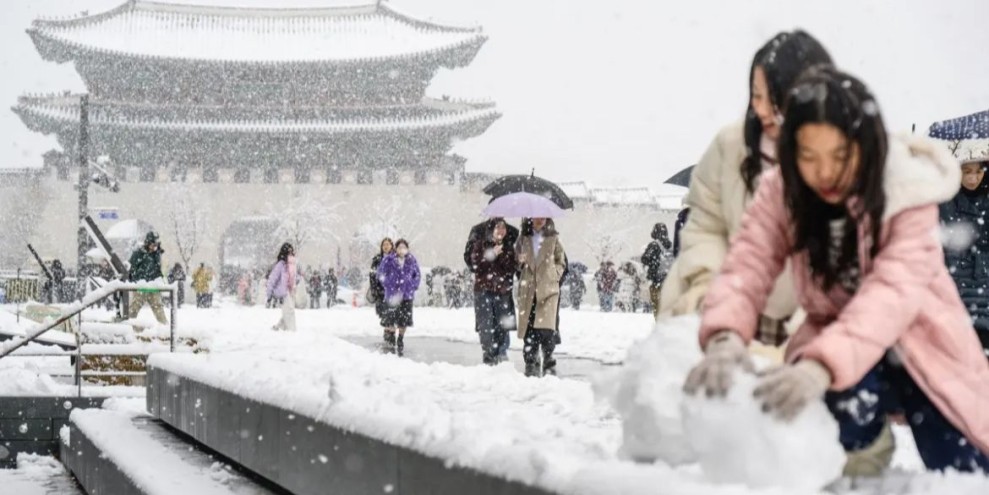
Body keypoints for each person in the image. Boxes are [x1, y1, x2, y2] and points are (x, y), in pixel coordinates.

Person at [684, 67, 989, 476]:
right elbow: (748, 264)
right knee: (839, 419)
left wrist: (820, 366)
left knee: (962, 467)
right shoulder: (783, 189)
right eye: (809, 156)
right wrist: (724, 335)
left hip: (925, 341)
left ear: (863, 146)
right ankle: (862, 456)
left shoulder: (905, 188)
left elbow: (890, 295)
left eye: (838, 156)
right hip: (842, 348)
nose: (823, 172)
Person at [660, 30, 834, 349]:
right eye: (757, 95)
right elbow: (704, 228)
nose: (764, 110)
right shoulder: (730, 147)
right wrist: (709, 298)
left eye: (776, 97)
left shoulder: (840, 158)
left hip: (812, 328)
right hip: (729, 309)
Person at [939, 160, 989, 355]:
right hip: (956, 289)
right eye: (966, 171)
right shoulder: (943, 200)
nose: (973, 178)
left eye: (979, 171)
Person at [516, 217, 567, 377]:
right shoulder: (523, 239)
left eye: (542, 216)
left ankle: (548, 360)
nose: (539, 220)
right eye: (536, 216)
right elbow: (515, 262)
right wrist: (519, 261)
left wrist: (555, 273)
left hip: (548, 289)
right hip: (529, 288)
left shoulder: (553, 239)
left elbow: (562, 261)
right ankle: (531, 360)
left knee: (547, 329)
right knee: (530, 327)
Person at [470, 218, 518, 365]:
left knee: (502, 324)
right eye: (497, 227)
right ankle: (489, 354)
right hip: (484, 291)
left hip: (502, 291)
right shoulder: (480, 244)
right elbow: (476, 266)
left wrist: (510, 258)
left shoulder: (508, 247)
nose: (501, 231)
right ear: (491, 230)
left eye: (503, 228)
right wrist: (491, 254)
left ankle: (501, 352)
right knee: (486, 324)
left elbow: (510, 269)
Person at [376, 239, 421, 353]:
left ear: (407, 249)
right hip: (392, 296)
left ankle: (400, 338)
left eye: (404, 247)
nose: (402, 249)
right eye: (399, 247)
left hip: (406, 295)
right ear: (396, 248)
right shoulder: (389, 259)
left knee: (404, 321)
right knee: (391, 320)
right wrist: (387, 283)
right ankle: (392, 339)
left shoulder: (411, 260)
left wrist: (412, 285)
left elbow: (417, 275)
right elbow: (380, 274)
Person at [127, 231, 167, 324]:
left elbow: (157, 269)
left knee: (158, 308)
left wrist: (160, 280)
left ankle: (165, 328)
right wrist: (135, 280)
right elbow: (131, 269)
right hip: (141, 286)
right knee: (134, 308)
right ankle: (127, 325)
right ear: (148, 243)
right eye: (153, 245)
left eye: (156, 245)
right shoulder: (138, 254)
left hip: (153, 286)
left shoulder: (156, 254)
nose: (154, 247)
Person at [642, 223, 673, 318]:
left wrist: (651, 264)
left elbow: (645, 259)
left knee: (657, 307)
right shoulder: (671, 245)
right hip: (669, 282)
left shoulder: (654, 245)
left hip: (657, 281)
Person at [266, 243, 297, 331]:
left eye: (292, 251)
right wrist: (269, 295)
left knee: (287, 312)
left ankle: (278, 327)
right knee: (290, 311)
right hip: (282, 292)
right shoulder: (281, 265)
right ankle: (292, 330)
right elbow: (272, 279)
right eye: (289, 251)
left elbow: (293, 277)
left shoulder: (291, 264)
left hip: (290, 291)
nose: (291, 253)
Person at [370, 238, 394, 344]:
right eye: (384, 244)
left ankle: (390, 333)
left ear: (391, 246)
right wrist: (374, 288)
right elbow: (372, 275)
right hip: (381, 291)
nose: (385, 246)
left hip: (392, 291)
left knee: (392, 313)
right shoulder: (377, 259)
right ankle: (387, 331)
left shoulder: (395, 258)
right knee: (384, 314)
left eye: (388, 244)